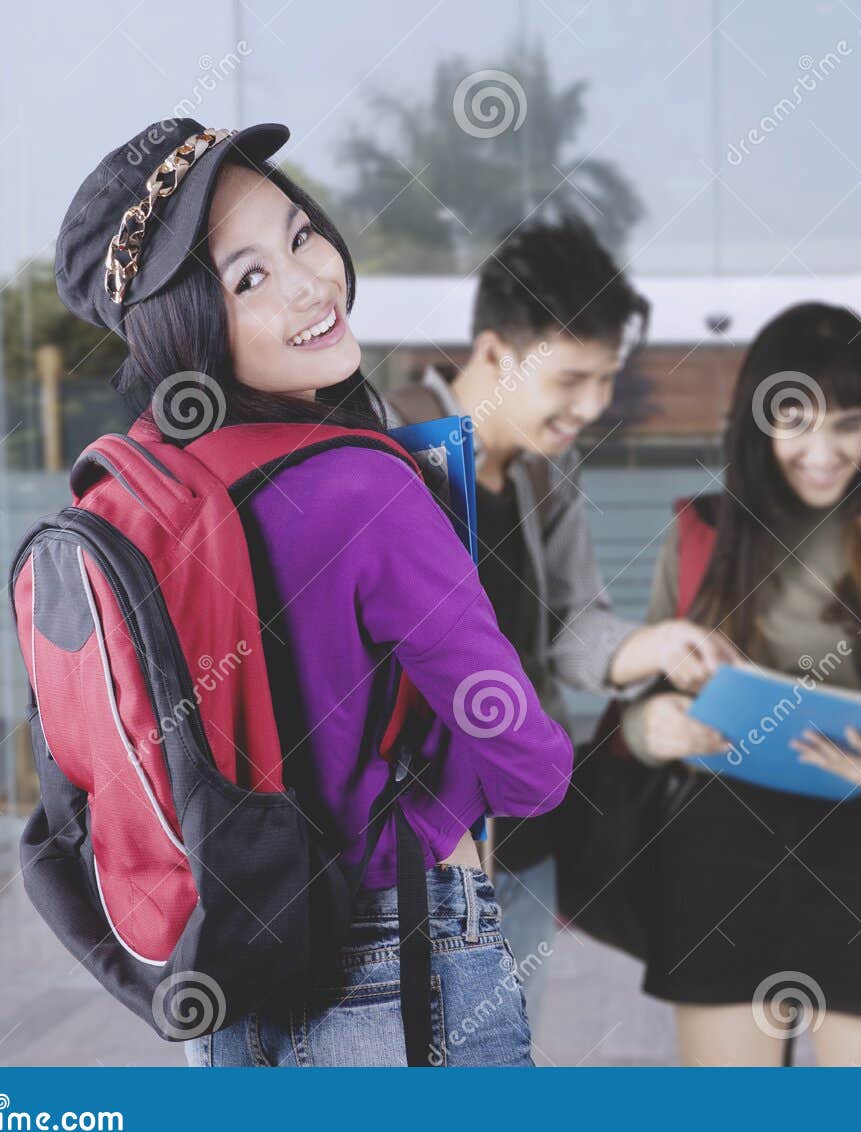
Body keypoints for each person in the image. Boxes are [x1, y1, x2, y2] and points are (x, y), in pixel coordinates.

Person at [52, 119, 573, 1066]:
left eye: (299, 235)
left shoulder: (125, 497)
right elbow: (531, 760)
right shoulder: (365, 487)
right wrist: (426, 816)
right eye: (246, 278)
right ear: (188, 327)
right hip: (401, 961)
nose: (308, 284)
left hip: (230, 980)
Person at [386, 218, 735, 1029]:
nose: (595, 405)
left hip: (525, 840)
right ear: (495, 354)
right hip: (419, 851)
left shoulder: (550, 467)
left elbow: (570, 624)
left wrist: (649, 645)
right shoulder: (391, 443)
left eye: (608, 377)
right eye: (574, 377)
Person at [620, 302, 861, 1066]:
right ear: (757, 422)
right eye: (798, 421)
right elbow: (642, 711)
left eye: (848, 423)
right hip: (718, 867)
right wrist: (658, 730)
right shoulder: (701, 534)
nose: (823, 450)